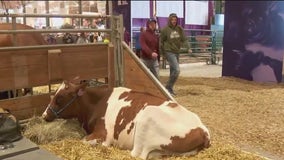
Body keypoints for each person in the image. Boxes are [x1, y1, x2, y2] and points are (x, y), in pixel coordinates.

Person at [160, 13, 191, 96]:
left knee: (173, 71)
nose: (174, 21)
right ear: (169, 20)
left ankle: (169, 89)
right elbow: (161, 42)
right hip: (169, 51)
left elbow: (184, 39)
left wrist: (188, 47)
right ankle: (168, 87)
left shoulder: (179, 29)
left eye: (175, 20)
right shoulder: (165, 30)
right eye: (172, 20)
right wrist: (162, 54)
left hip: (176, 51)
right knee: (177, 70)